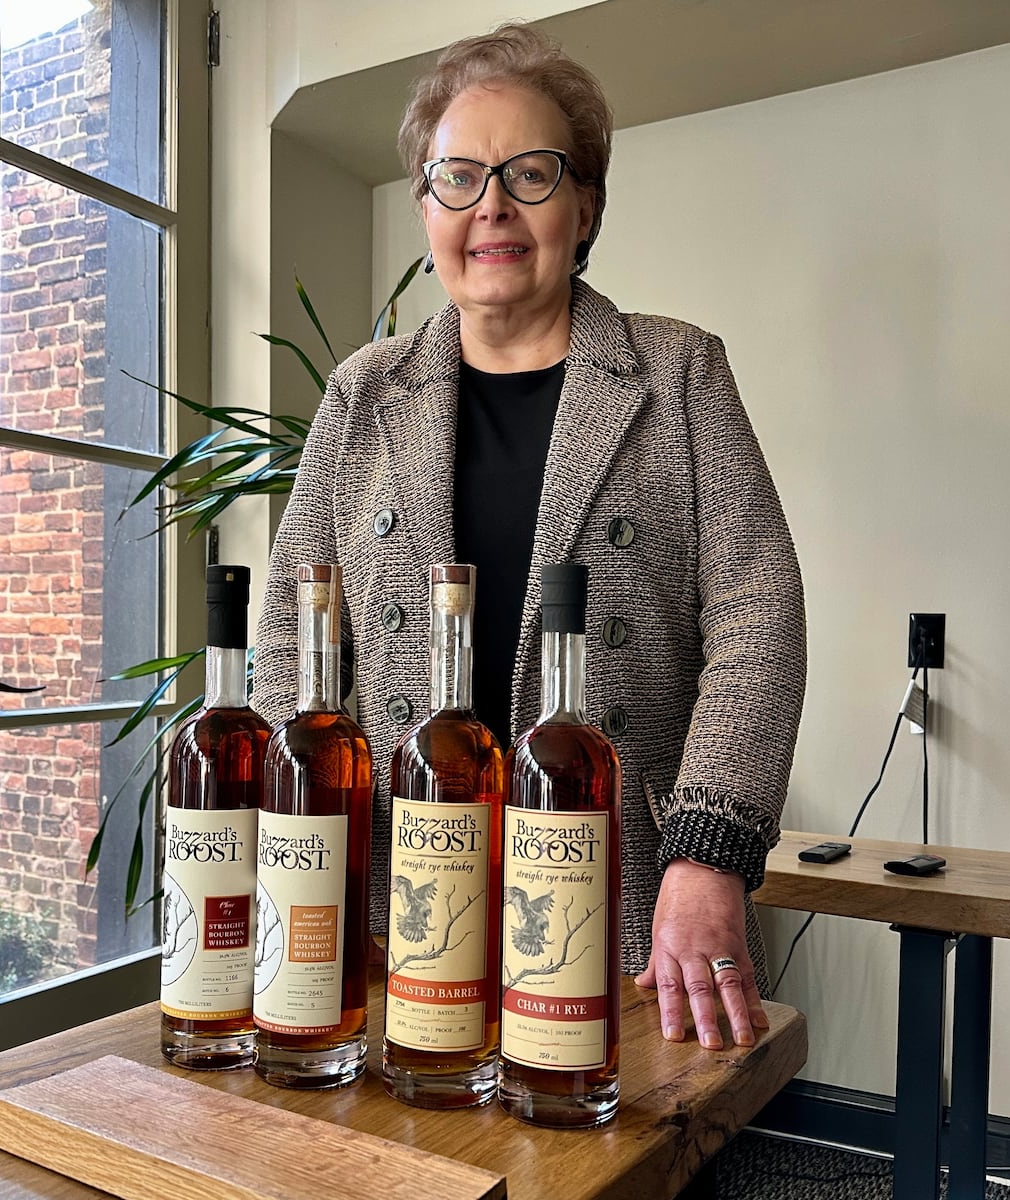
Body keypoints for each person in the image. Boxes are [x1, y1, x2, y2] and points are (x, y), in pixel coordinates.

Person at [252, 23, 806, 1054]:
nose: (491, 205)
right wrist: (298, 846)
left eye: (530, 173)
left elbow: (756, 616)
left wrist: (709, 852)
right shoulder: (361, 393)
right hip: (392, 903)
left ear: (583, 206)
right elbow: (294, 621)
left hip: (631, 897)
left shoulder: (679, 372)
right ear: (426, 210)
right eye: (457, 177)